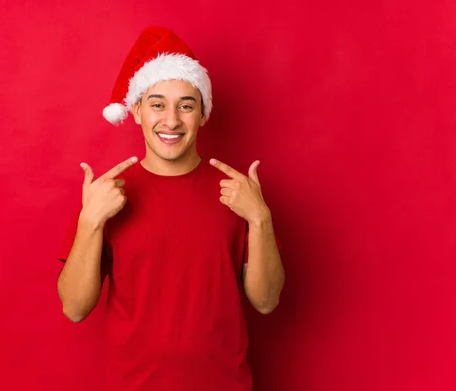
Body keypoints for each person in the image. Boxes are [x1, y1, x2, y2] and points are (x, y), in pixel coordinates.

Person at [57, 26, 285, 391]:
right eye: (158, 104)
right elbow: (74, 308)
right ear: (136, 112)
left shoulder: (237, 193)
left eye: (186, 105)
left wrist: (261, 217)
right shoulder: (109, 195)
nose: (172, 120)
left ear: (203, 114)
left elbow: (267, 301)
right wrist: (90, 222)